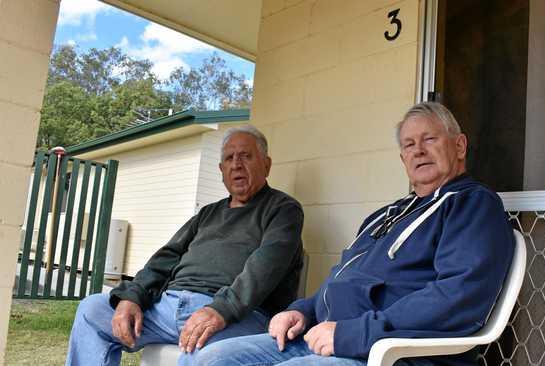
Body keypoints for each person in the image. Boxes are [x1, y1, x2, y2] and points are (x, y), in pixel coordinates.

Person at [197, 102, 515, 366]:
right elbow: (345, 279)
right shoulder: (386, 216)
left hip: (391, 352)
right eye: (408, 145)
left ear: (459, 146)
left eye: (429, 139)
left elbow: (458, 297)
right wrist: (302, 310)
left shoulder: (471, 204)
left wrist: (352, 334)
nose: (418, 151)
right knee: (209, 359)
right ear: (402, 158)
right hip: (327, 338)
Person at [66, 125, 304, 366]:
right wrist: (132, 296)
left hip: (237, 315)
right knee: (91, 310)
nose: (236, 164)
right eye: (229, 158)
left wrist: (221, 310)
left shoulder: (283, 210)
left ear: (266, 164)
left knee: (203, 354)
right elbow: (166, 258)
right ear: (221, 170)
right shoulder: (208, 214)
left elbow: (264, 269)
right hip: (168, 306)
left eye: (245, 156)